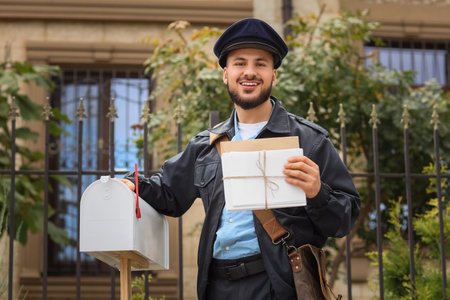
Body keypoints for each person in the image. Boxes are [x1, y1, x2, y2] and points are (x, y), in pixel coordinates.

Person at [120, 18, 360, 300]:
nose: (250, 72)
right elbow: (168, 194)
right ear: (225, 74)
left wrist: (318, 193)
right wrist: (131, 184)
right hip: (217, 287)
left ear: (274, 75)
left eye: (260, 63)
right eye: (239, 63)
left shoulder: (310, 141)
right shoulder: (206, 145)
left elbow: (343, 220)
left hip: (278, 286)